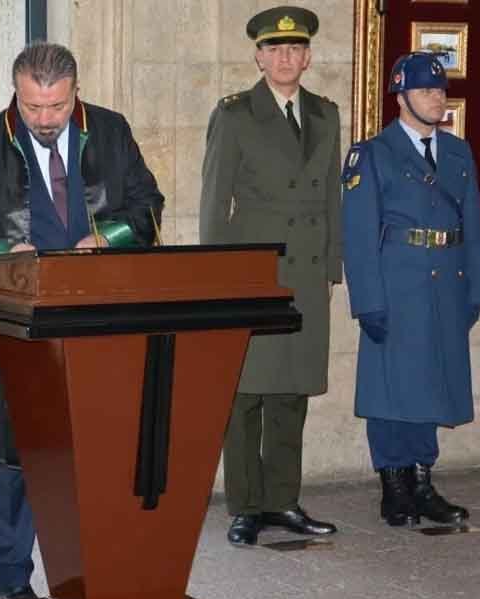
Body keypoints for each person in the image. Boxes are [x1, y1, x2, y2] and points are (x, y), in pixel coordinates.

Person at [0, 42, 164, 599]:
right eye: (32, 107)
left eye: (56, 107)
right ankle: (12, 580)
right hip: (12, 326)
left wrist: (104, 238)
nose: (43, 120)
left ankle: (88, 570)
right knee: (10, 455)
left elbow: (147, 205)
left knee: (96, 452)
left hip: (96, 321)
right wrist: (9, 254)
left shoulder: (110, 131)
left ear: (74, 93)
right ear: (17, 92)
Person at [199, 6, 341, 546]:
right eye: (274, 49)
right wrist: (216, 279)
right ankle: (245, 505)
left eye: (295, 49)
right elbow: (215, 200)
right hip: (253, 273)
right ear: (259, 57)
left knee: (292, 393)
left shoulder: (326, 115)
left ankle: (283, 499)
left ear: (307, 57)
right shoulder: (234, 114)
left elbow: (330, 197)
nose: (285, 58)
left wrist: (332, 267)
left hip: (305, 276)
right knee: (246, 394)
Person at [340, 52, 480, 527]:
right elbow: (359, 235)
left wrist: (475, 291)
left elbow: (472, 223)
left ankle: (423, 481)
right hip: (396, 284)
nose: (437, 98)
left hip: (446, 284)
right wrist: (367, 301)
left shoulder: (457, 152)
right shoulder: (373, 154)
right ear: (401, 96)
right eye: (427, 90)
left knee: (431, 382)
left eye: (441, 90)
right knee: (390, 387)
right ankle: (394, 484)